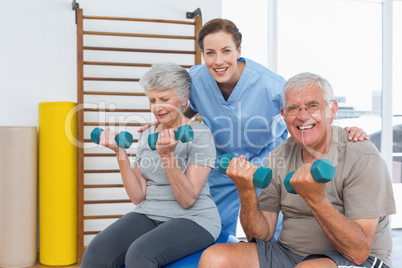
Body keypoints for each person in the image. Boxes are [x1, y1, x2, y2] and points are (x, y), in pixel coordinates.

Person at [138, 18, 369, 238]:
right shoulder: (196, 78)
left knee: (270, 235)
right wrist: (167, 121)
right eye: (210, 53)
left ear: (239, 51)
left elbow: (304, 116)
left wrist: (343, 133)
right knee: (212, 231)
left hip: (265, 162)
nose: (218, 61)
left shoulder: (271, 85)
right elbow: (189, 107)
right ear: (203, 55)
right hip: (222, 165)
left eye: (226, 51)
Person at [198, 72, 396, 268]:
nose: (302, 116)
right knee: (215, 258)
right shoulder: (278, 157)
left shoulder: (361, 156)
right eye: (293, 108)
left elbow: (358, 252)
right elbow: (259, 237)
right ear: (284, 115)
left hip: (358, 259)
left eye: (313, 106)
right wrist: (246, 190)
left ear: (332, 110)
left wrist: (315, 199)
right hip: (290, 253)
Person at [81, 63, 221, 268]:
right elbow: (138, 196)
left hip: (194, 218)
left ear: (184, 99)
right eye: (152, 100)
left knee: (139, 255)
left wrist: (168, 156)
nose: (157, 107)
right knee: (96, 252)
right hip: (149, 212)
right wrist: (120, 153)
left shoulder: (200, 136)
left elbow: (187, 199)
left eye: (165, 99)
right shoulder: (147, 135)